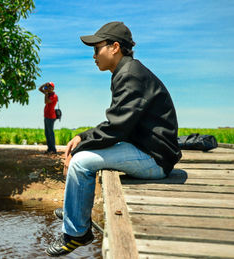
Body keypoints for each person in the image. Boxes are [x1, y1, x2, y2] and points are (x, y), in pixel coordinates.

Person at [45, 21, 182, 257]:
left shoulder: (130, 74)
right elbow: (119, 122)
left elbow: (117, 127)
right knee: (84, 155)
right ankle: (73, 214)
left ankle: (77, 233)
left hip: (155, 159)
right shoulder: (127, 71)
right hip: (146, 149)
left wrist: (79, 146)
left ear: (115, 47)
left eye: (97, 49)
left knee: (81, 161)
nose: (94, 56)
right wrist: (82, 137)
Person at [39, 82, 58, 154]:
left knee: (50, 133)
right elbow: (40, 89)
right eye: (48, 87)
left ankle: (53, 150)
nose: (49, 88)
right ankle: (49, 149)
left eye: (50, 87)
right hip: (46, 116)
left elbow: (46, 101)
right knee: (47, 133)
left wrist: (46, 93)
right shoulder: (48, 94)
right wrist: (44, 85)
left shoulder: (54, 96)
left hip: (51, 116)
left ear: (53, 88)